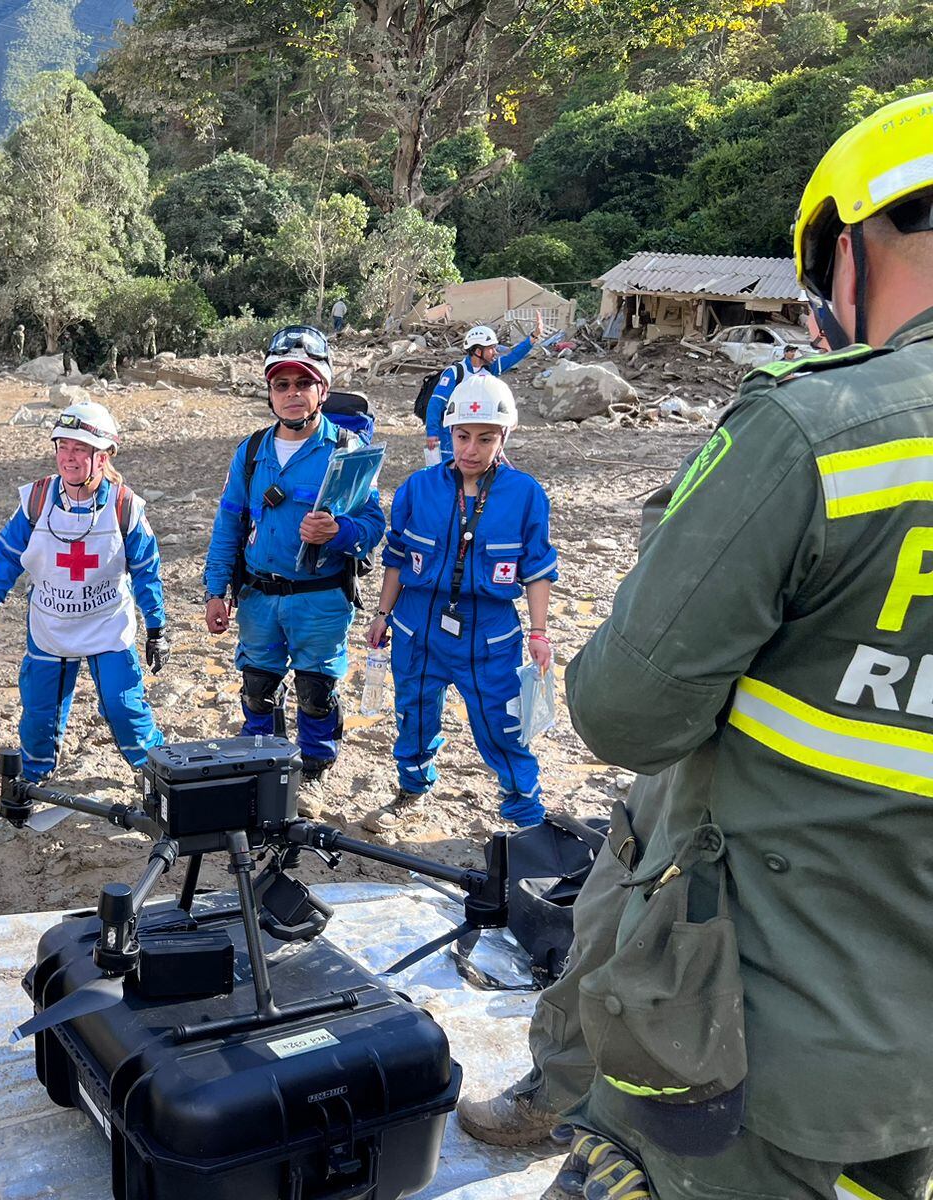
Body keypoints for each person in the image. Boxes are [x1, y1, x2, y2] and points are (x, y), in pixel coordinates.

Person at [470, 93, 933, 1200]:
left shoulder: (823, 429)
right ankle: (553, 1081)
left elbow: (625, 711)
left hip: (759, 1044)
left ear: (850, 248)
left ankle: (564, 1099)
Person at [361, 374, 555, 832]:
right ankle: (411, 786)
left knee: (502, 722)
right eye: (462, 436)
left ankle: (524, 811)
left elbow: (539, 570)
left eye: (485, 438)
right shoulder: (417, 488)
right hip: (417, 623)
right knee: (414, 712)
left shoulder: (526, 494)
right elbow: (394, 558)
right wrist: (382, 614)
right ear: (449, 434)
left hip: (489, 631)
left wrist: (540, 632)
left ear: (503, 436)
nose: (470, 449)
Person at [203, 325, 385, 782]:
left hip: (320, 599)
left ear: (322, 388)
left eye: (303, 383)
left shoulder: (348, 452)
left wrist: (340, 531)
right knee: (258, 688)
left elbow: (374, 524)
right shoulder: (250, 452)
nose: (292, 394)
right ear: (269, 392)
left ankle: (318, 765)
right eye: (281, 384)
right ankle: (263, 761)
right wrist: (215, 591)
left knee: (315, 690)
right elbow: (229, 523)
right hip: (258, 597)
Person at [0, 399, 167, 782]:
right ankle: (32, 782)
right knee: (39, 715)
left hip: (108, 628)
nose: (69, 457)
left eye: (80, 448)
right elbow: (8, 555)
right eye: (63, 446)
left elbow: (146, 570)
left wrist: (157, 628)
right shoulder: (36, 500)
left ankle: (158, 781)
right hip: (50, 628)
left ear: (103, 456)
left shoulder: (125, 507)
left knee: (125, 709)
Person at [424, 314, 543, 466]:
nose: (495, 352)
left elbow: (514, 356)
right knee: (449, 473)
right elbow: (436, 403)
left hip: (479, 429)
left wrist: (533, 337)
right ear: (478, 350)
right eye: (491, 348)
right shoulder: (455, 373)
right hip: (451, 434)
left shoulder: (490, 369)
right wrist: (432, 433)